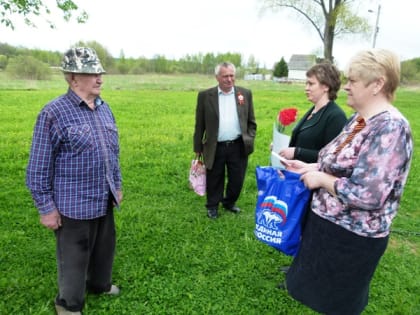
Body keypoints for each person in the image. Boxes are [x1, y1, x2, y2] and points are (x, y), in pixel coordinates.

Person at [283, 49, 413, 314]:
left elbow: (368, 195)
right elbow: (337, 160)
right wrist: (310, 166)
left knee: (338, 305)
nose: (346, 87)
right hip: (326, 228)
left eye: (353, 81)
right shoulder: (359, 120)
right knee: (319, 300)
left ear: (377, 84)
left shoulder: (390, 127)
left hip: (351, 238)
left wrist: (320, 179)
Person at [26, 47, 122, 315]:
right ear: (72, 78)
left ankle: (100, 285)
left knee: (104, 248)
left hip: (104, 198)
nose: (100, 78)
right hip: (73, 205)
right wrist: (46, 208)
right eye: (92, 73)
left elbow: (113, 152)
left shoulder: (104, 109)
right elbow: (37, 168)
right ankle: (68, 304)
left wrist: (117, 183)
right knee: (74, 258)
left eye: (100, 72)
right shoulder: (53, 113)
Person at [193, 62, 257, 219]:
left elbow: (251, 121)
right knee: (215, 178)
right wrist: (197, 147)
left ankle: (229, 202)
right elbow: (199, 124)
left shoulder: (245, 94)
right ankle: (212, 206)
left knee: (237, 179)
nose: (229, 79)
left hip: (238, 145)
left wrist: (249, 137)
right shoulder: (205, 96)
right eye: (225, 76)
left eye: (232, 75)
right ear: (217, 77)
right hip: (215, 146)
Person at [279, 62, 347, 163]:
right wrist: (282, 149)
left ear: (326, 87)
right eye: (306, 83)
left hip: (312, 176)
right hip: (296, 173)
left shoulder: (336, 117)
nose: (306, 88)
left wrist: (297, 152)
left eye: (311, 84)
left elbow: (333, 156)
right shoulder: (314, 110)